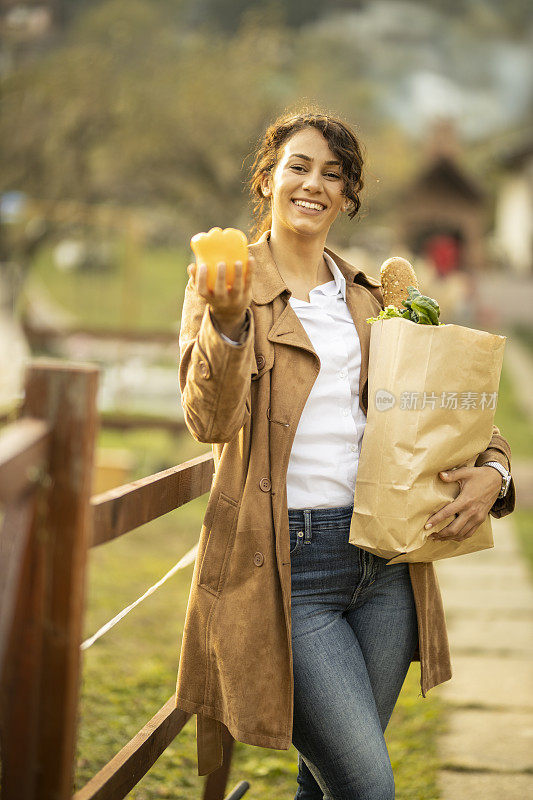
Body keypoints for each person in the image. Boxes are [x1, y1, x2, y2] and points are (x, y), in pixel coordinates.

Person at [176, 108, 515, 799]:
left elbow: (449, 408)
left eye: (333, 174)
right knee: (366, 789)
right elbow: (209, 421)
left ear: (348, 196)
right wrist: (230, 324)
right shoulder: (228, 283)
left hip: (385, 564)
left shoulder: (372, 297)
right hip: (283, 572)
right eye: (298, 167)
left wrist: (494, 470)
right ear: (268, 178)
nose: (313, 184)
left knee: (324, 783)